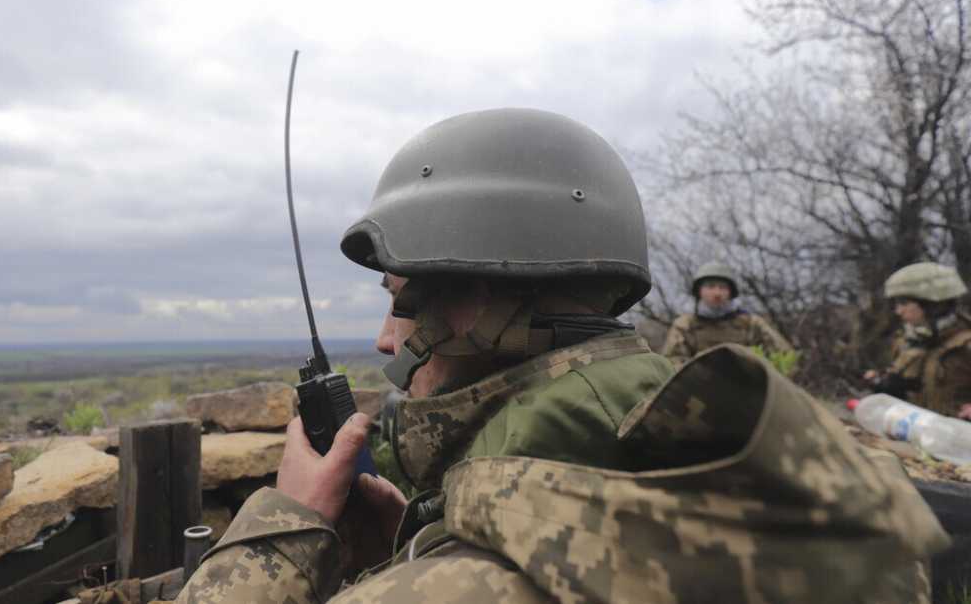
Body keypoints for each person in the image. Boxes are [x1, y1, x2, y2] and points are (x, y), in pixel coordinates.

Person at [171, 109, 945, 603]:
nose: (382, 340)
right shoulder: (759, 474)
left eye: (396, 296)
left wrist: (286, 531)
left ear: (475, 302)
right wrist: (420, 539)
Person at [864, 262, 971, 419]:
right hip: (919, 436)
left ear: (931, 304)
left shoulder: (966, 343)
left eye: (904, 303)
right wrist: (886, 384)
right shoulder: (906, 341)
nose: (898, 311)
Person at [660, 261, 794, 368]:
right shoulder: (685, 325)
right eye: (710, 286)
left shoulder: (750, 323)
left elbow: (784, 356)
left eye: (722, 287)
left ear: (731, 292)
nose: (717, 293)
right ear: (699, 291)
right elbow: (671, 362)